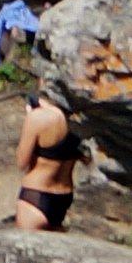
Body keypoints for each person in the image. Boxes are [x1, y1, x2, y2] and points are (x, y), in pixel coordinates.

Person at [6, 75, 83, 234]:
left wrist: (29, 118)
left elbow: (22, 162)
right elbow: (87, 158)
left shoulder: (38, 117)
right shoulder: (80, 118)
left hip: (36, 196)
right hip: (64, 196)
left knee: (28, 253)